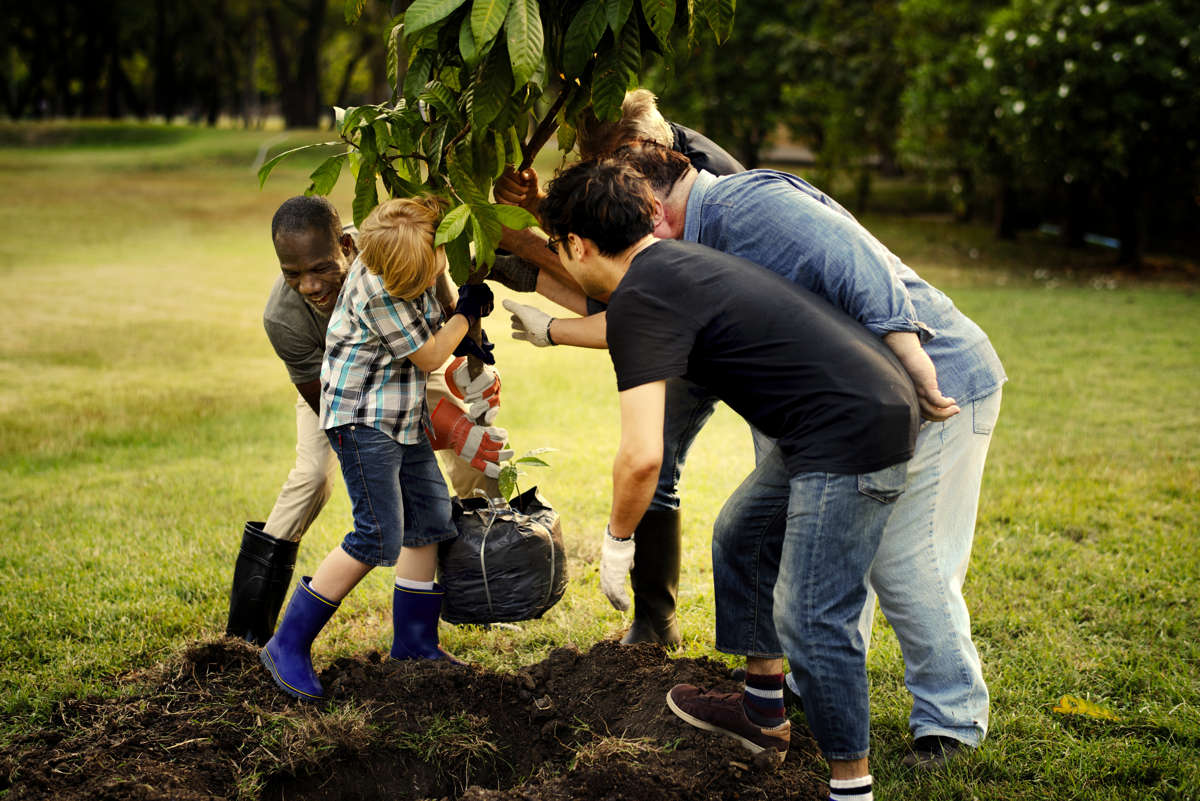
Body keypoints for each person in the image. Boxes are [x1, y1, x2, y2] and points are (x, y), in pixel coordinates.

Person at [521, 142, 1007, 768]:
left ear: (654, 204)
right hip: (835, 408)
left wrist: (617, 544)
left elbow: (859, 261)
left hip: (928, 382)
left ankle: (944, 724)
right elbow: (637, 320)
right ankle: (768, 702)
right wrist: (550, 327)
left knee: (885, 574)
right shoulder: (678, 254)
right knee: (744, 533)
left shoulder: (747, 207)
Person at [492, 89, 745, 647]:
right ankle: (655, 623)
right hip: (687, 317)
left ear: (647, 149)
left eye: (618, 169)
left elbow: (635, 299)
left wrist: (529, 248)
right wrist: (538, 214)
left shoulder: (699, 185)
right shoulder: (638, 160)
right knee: (662, 464)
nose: (614, 179)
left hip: (743, 338)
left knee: (694, 479)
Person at [226, 196, 509, 648]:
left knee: (438, 505)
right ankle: (258, 634)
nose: (309, 286)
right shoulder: (295, 315)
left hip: (402, 375)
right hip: (346, 397)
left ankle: (443, 623)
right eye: (293, 274)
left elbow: (441, 321)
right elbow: (341, 406)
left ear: (347, 245)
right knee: (326, 488)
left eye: (320, 268)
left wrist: (472, 364)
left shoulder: (397, 245)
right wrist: (448, 424)